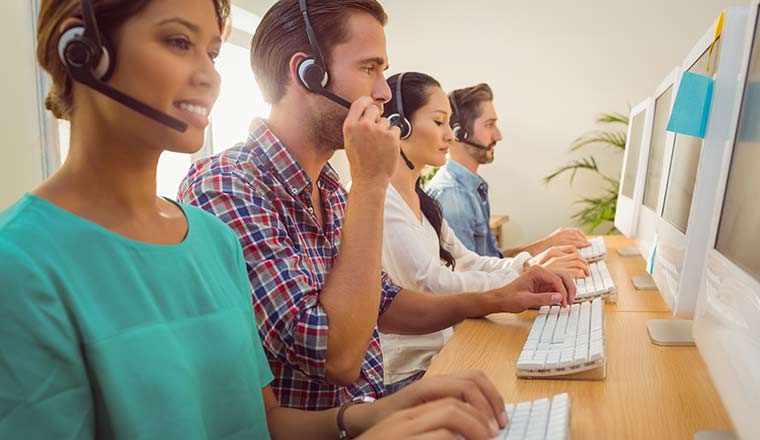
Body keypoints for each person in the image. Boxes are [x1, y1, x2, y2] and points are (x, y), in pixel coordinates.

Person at [0, 1, 514, 438]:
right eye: (178, 42)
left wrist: (373, 416)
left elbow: (258, 420)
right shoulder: (21, 266)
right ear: (82, 52)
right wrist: (373, 185)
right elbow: (336, 355)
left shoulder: (210, 240)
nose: (211, 77)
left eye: (213, 52)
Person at [179, 0, 574, 411]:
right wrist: (369, 181)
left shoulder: (327, 186)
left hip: (371, 406)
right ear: (306, 73)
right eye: (370, 69)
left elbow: (386, 302)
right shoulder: (229, 185)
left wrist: (500, 298)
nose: (384, 92)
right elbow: (337, 356)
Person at [377, 72, 588, 386]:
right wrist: (518, 280)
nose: (450, 135)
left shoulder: (422, 199)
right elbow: (431, 284)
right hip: (412, 372)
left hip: (445, 349)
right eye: (439, 122)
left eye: (450, 123)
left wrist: (528, 267)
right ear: (399, 125)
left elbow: (468, 259)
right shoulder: (381, 200)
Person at [426, 83, 591, 258]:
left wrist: (547, 246)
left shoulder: (469, 188)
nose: (498, 136)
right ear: (459, 133)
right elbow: (468, 279)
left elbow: (492, 262)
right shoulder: (453, 196)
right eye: (489, 125)